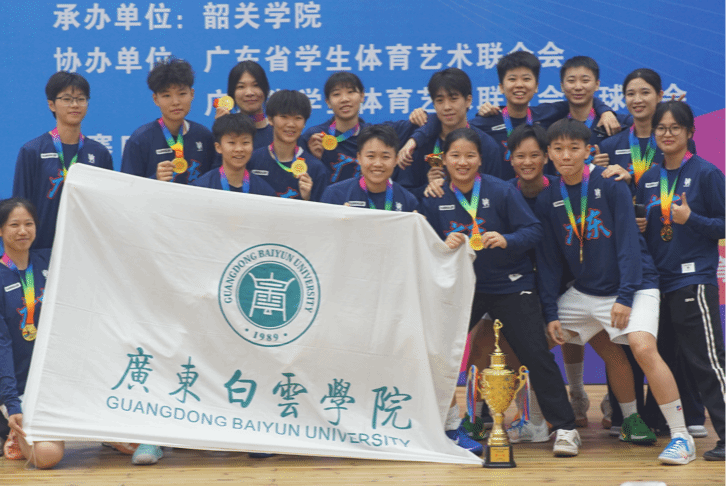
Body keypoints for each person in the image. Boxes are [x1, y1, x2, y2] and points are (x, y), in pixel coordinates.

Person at [536, 118, 695, 465]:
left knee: (643, 347)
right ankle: (540, 422)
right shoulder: (549, 197)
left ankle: (681, 437)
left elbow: (628, 243)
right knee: (531, 344)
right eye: (558, 149)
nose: (566, 155)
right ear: (549, 153)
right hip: (584, 292)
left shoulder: (610, 184)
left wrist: (624, 297)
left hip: (635, 285)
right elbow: (548, 263)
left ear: (588, 151)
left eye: (574, 148)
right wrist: (549, 313)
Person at [419, 127, 581, 457]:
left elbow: (533, 230)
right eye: (455, 156)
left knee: (535, 353)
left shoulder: (501, 190)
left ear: (480, 159)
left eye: (469, 155)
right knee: (435, 351)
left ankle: (565, 428)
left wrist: (508, 239)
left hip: (511, 284)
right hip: (462, 289)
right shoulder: (435, 197)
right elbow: (425, 246)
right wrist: (442, 243)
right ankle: (442, 424)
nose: (462, 162)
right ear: (444, 160)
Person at [599, 69, 704, 437]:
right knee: (626, 339)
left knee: (672, 340)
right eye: (630, 93)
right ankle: (627, 415)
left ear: (660, 96)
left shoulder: (672, 143)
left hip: (668, 250)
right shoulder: (611, 143)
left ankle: (682, 414)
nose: (637, 99)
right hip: (627, 254)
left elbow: (684, 191)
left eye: (645, 92)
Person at [636, 100, 726, 461]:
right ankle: (665, 426)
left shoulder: (706, 173)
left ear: (689, 132)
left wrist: (691, 219)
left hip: (693, 281)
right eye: (661, 128)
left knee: (707, 362)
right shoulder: (649, 178)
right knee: (666, 359)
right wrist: (642, 226)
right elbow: (651, 229)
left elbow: (723, 224)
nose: (667, 134)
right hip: (657, 284)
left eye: (675, 127)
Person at [405, 52, 620, 181]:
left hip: (544, 194)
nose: (519, 85)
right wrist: (426, 120)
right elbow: (450, 121)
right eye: (512, 79)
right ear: (501, 86)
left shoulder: (549, 114)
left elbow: (580, 99)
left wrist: (605, 110)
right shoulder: (485, 121)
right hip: (501, 197)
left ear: (536, 86)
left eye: (526, 79)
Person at [13, 72, 113, 250]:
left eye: (81, 99)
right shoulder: (32, 151)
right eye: (67, 99)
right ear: (51, 104)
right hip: (42, 248)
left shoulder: (100, 153)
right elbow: (20, 205)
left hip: (87, 248)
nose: (75, 105)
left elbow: (107, 206)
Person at [0, 198, 64, 468]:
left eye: (29, 224)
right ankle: (13, 430)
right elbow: (1, 346)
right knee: (46, 457)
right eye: (14, 225)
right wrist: (12, 403)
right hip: (19, 385)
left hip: (55, 382)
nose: (23, 231)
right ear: (0, 230)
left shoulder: (51, 260)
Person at [396, 68, 501, 199]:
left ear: (468, 100)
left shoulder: (487, 145)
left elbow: (496, 193)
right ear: (433, 104)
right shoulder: (420, 145)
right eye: (440, 100)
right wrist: (427, 188)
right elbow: (403, 196)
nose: (447, 107)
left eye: (453, 99)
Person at [300, 72, 422, 185]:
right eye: (336, 94)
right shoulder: (315, 137)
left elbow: (428, 123)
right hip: (331, 199)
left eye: (350, 92)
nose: (345, 99)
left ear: (362, 96)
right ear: (328, 102)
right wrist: (314, 160)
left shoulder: (376, 135)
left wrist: (411, 142)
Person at [121, 57, 215, 185]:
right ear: (155, 99)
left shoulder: (204, 136)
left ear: (192, 94)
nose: (175, 102)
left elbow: (215, 181)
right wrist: (155, 179)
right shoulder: (140, 140)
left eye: (182, 94)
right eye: (166, 96)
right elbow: (127, 187)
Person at [246, 90, 328, 201]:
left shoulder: (316, 168)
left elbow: (322, 210)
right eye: (284, 117)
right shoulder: (252, 160)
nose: (291, 124)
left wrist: (308, 199)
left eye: (298, 118)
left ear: (304, 123)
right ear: (270, 119)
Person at [321, 124, 417, 212]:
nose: (378, 164)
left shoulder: (408, 201)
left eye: (385, 157)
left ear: (396, 159)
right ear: (359, 158)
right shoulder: (335, 195)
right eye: (371, 156)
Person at [191, 113, 275, 196]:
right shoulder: (201, 188)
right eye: (232, 142)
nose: (239, 149)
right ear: (218, 147)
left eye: (245, 142)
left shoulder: (264, 191)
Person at [214, 60, 274, 149]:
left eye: (256, 85)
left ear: (266, 89)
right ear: (232, 94)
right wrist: (221, 130)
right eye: (241, 87)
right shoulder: (224, 133)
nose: (249, 93)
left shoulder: (278, 134)